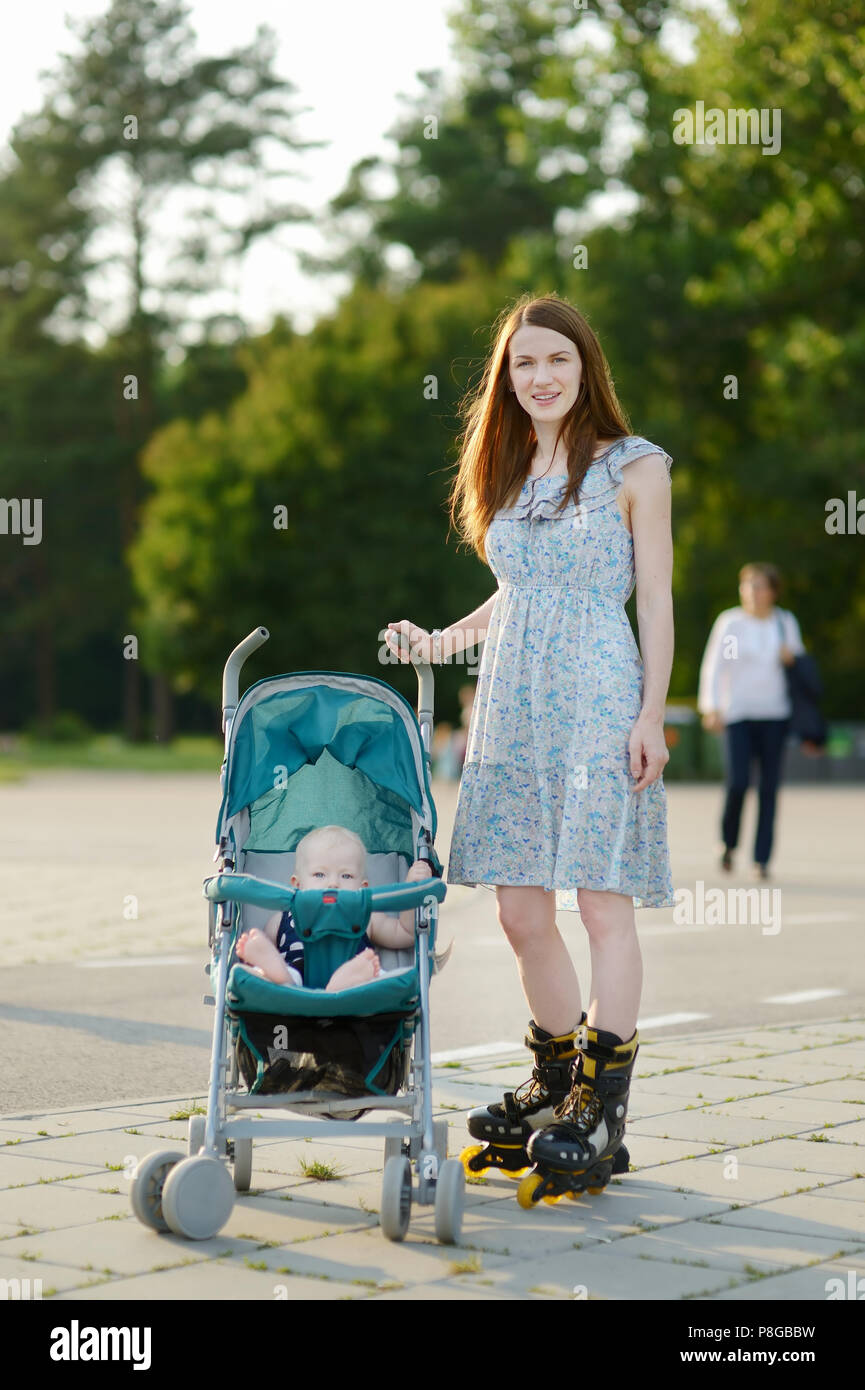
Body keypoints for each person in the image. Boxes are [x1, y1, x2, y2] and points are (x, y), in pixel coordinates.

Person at [384, 293, 675, 1200]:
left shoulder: (635, 466)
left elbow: (656, 600)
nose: (540, 377)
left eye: (556, 360)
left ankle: (599, 1107)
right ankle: (553, 1084)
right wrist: (440, 642)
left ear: (586, 367)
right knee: (518, 913)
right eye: (523, 364)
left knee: (599, 907)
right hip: (509, 704)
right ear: (505, 379)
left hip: (597, 698)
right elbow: (516, 592)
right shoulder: (507, 465)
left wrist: (650, 714)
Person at [697, 562, 806, 880]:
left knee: (769, 788)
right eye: (747, 585)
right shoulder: (732, 623)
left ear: (772, 591)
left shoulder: (784, 623)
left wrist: (792, 659)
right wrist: (712, 706)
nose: (752, 592)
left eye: (759, 586)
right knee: (739, 782)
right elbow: (715, 666)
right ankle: (728, 844)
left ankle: (762, 859)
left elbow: (799, 669)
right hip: (738, 715)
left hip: (775, 715)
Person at [234, 824, 432, 992]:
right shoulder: (284, 917)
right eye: (320, 874)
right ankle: (277, 971)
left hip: (352, 971)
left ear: (363, 888)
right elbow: (271, 946)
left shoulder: (365, 915)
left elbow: (405, 933)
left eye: (346, 876)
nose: (333, 884)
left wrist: (411, 887)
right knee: (273, 972)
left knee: (379, 976)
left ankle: (346, 979)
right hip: (296, 978)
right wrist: (260, 955)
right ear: (297, 884)